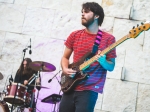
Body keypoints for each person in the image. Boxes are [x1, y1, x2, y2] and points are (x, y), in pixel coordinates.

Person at [59, 2, 117, 112]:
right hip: (70, 86)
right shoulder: (74, 35)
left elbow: (111, 67)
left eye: (86, 12)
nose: (82, 14)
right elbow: (65, 57)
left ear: (97, 16)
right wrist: (65, 69)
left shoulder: (108, 39)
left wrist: (103, 61)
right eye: (82, 12)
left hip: (90, 89)